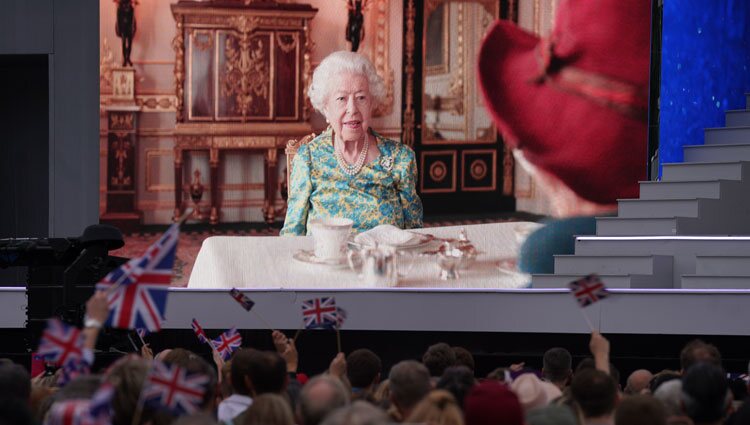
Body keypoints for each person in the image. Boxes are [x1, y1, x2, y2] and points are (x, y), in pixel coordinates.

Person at [281, 51, 423, 235]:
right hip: (327, 260)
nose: (352, 109)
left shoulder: (400, 158)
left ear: (372, 103)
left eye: (361, 98)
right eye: (341, 99)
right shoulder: (309, 158)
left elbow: (415, 233)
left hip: (382, 260)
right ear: (325, 107)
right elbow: (292, 233)